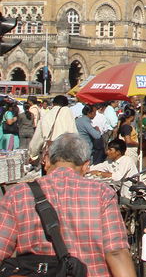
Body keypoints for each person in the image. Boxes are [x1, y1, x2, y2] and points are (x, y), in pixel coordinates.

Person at [0, 132, 136, 277]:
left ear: (47, 161)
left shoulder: (18, 195)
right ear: (85, 166)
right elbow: (116, 252)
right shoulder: (102, 193)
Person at [28, 95, 77, 166]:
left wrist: (33, 155)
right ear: (66, 105)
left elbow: (37, 139)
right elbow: (75, 135)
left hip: (50, 155)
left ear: (53, 104)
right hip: (67, 155)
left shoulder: (46, 116)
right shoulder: (68, 113)